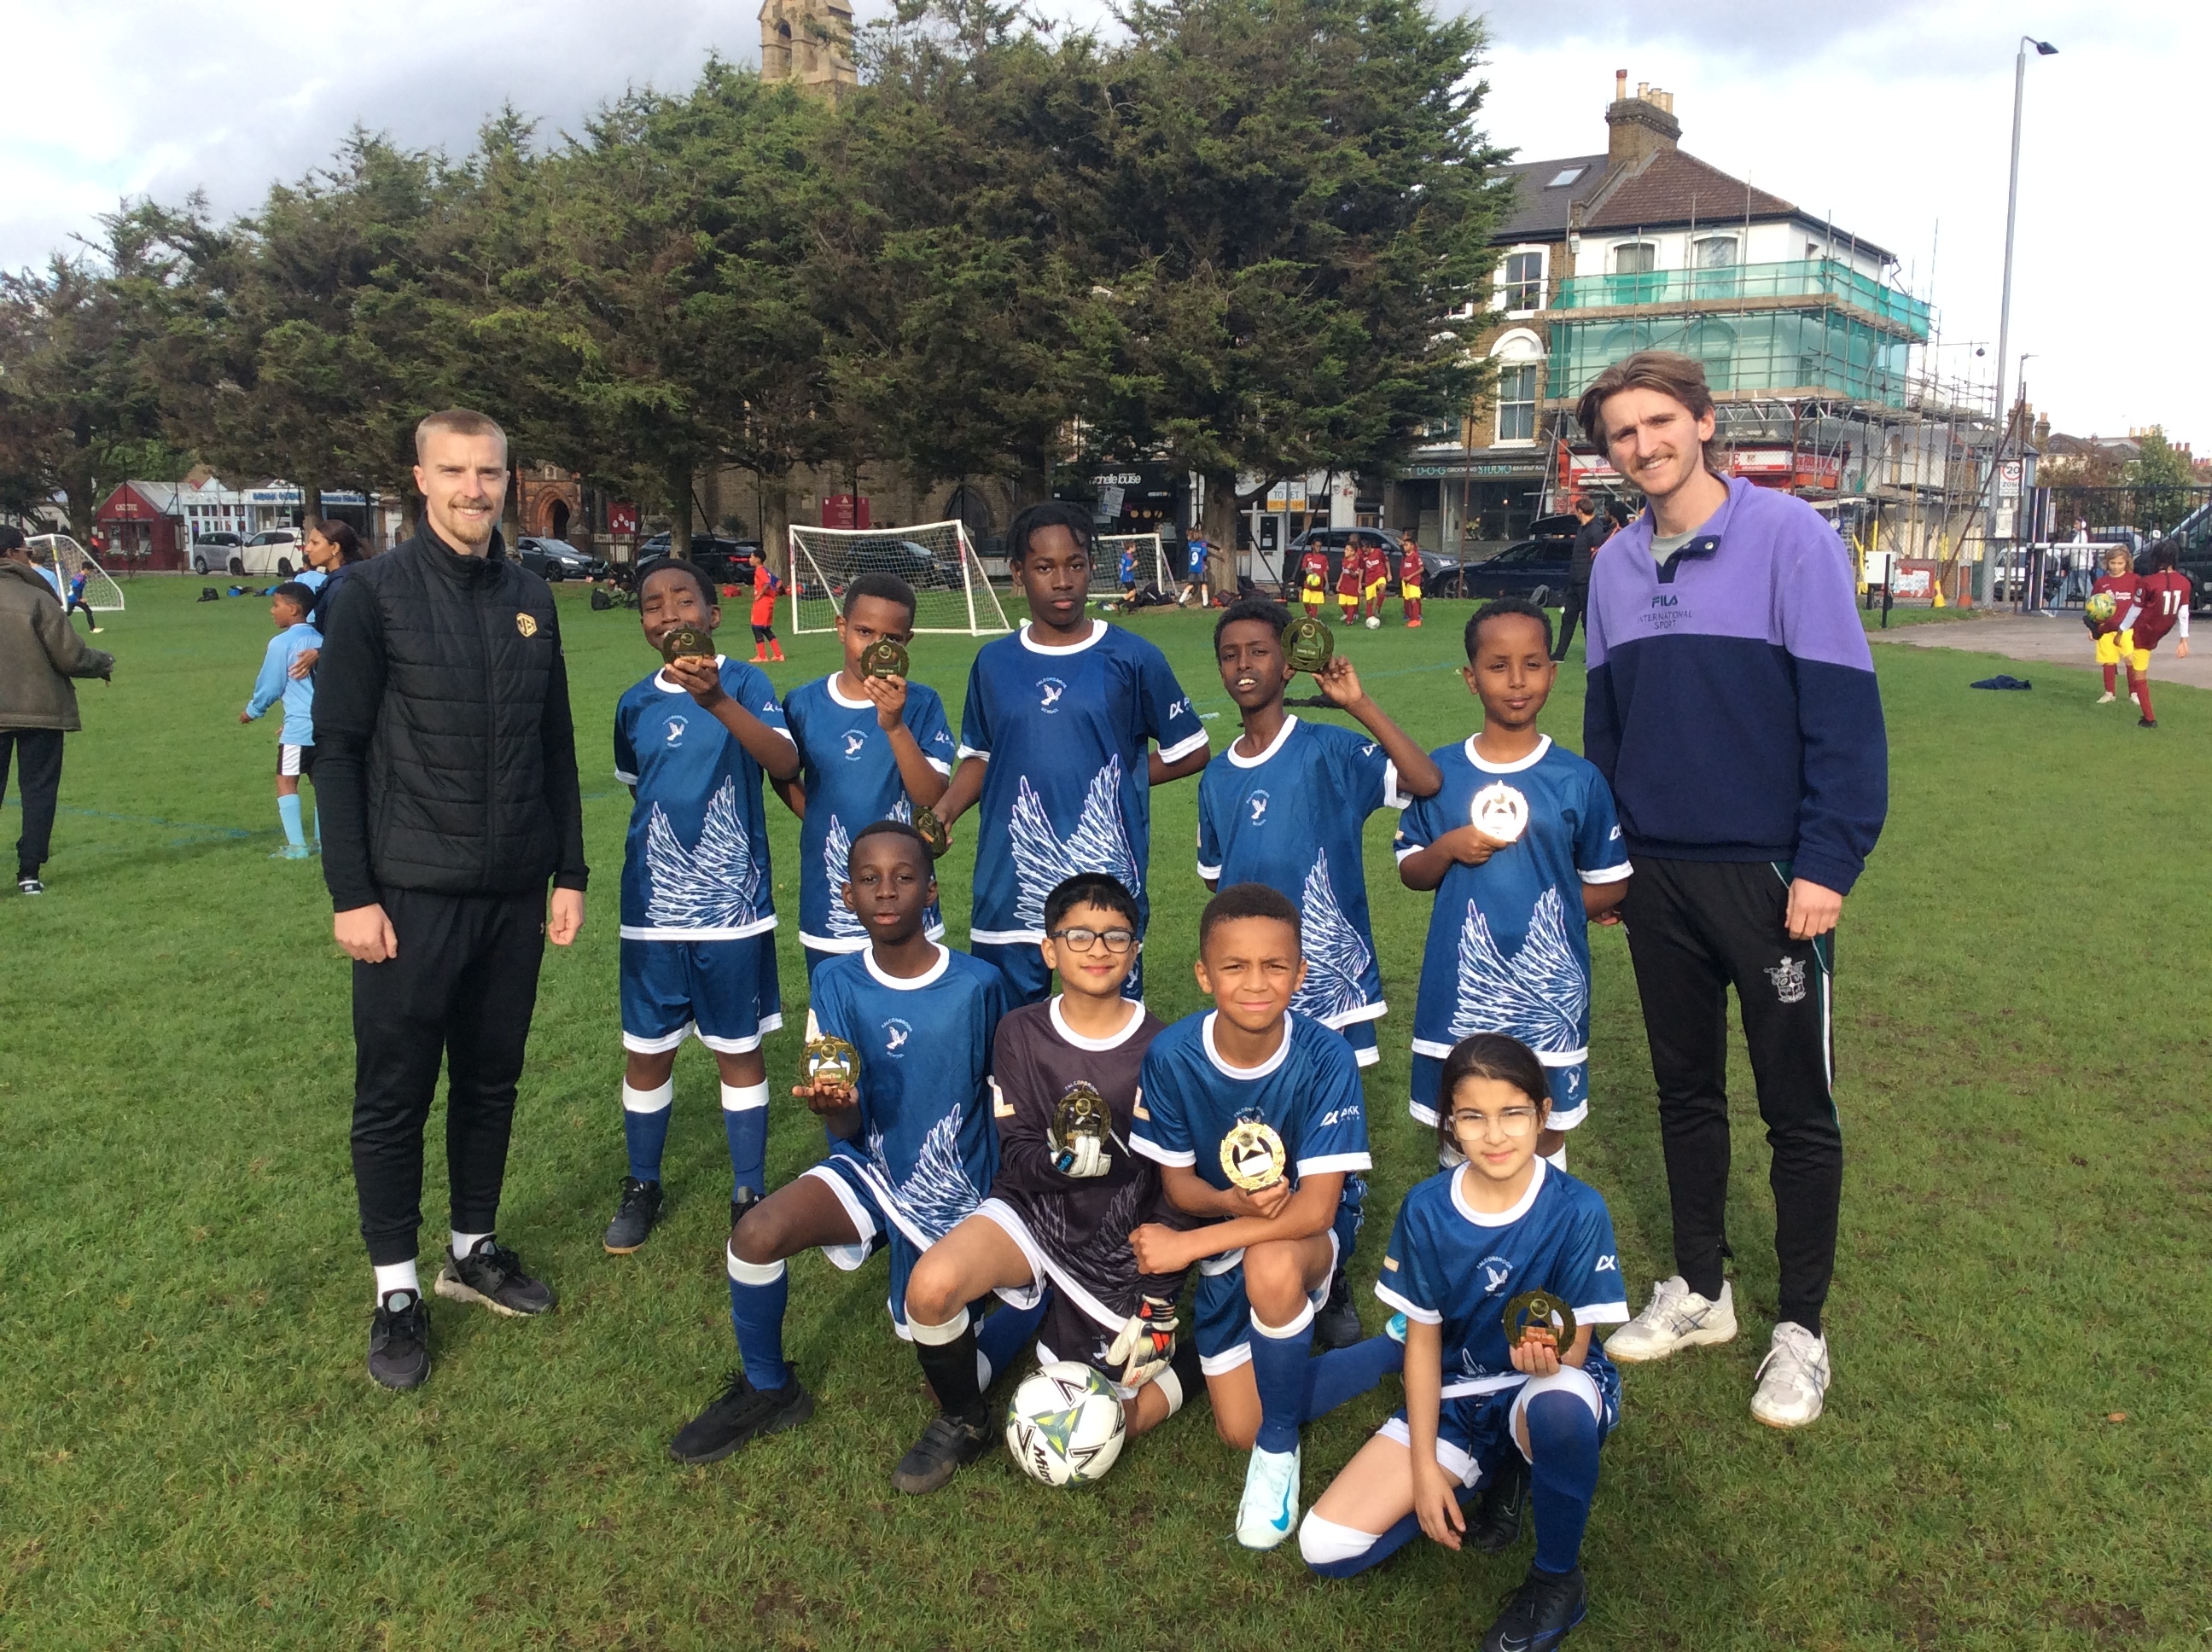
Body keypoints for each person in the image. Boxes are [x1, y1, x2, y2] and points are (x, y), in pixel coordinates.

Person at [1579, 351, 1887, 1428]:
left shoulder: (1792, 538)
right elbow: (1607, 730)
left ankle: (1801, 1329)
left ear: (1704, 422)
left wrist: (1826, 863)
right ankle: (1701, 1289)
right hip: (1656, 877)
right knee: (1685, 1092)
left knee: (1796, 1108)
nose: (1644, 445)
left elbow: (1844, 716)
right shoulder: (1612, 565)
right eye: (1623, 433)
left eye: (1659, 421)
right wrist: (1609, 861)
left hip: (1770, 877)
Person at [316, 408, 589, 1392]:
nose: (475, 489)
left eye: (490, 472)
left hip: (512, 893)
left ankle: (472, 1249)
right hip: (408, 895)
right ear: (421, 479)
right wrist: (354, 893)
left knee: (490, 1082)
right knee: (394, 1095)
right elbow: (337, 751)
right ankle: (396, 1290)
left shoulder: (531, 598)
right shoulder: (369, 594)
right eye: (456, 471)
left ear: (507, 480)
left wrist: (569, 870)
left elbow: (555, 743)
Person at [669, 822, 1042, 1480]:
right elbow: (847, 1128)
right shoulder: (835, 983)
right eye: (869, 878)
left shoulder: (979, 984)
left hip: (958, 1180)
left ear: (931, 890)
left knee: (944, 1370)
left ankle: (1025, 1318)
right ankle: (769, 1388)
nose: (886, 890)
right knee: (755, 1234)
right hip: (871, 1166)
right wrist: (833, 1108)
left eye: (904, 877)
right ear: (847, 895)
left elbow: (1009, 1099)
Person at [1300, 1034, 1627, 1652]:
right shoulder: (1427, 1208)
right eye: (1473, 1116)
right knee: (1326, 1546)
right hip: (1460, 1396)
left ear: (1543, 1114)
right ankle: (1491, 1470)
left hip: (1545, 1385)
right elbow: (1423, 1342)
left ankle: (1557, 1580)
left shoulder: (1579, 1209)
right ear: (1450, 1122)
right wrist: (1426, 1471)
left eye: (1513, 1113)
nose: (1495, 1135)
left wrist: (1546, 1362)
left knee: (1558, 1408)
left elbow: (1576, 1349)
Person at [899, 872, 1198, 1491]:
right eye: (1079, 935)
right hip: (1031, 1211)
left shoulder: (1166, 1048)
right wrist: (1060, 1163)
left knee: (1117, 1389)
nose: (1098, 948)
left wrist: (1159, 1295)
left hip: (1118, 1239)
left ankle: (1203, 1357)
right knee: (929, 1289)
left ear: (1135, 950)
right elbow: (1017, 1153)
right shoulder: (1020, 1031)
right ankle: (964, 1420)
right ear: (1049, 949)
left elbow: (1173, 1183)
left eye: (1116, 935)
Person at [1128, 883, 1404, 1550]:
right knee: (1238, 1427)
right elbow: (1180, 1187)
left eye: (1275, 966)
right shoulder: (1171, 1055)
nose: (1256, 983)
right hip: (1232, 1225)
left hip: (1309, 1233)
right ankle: (1397, 1347)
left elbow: (1316, 1207)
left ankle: (1279, 1450)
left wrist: (1189, 1248)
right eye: (1235, 966)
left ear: (1300, 973)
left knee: (1272, 1265)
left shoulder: (1325, 1055)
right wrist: (1229, 1203)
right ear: (1204, 975)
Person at [1202, 596, 1443, 1350]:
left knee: (1332, 1138)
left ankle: (1331, 1274)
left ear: (1287, 661)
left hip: (1332, 984)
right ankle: (1264, 1256)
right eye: (1231, 654)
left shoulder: (1330, 749)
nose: (1245, 665)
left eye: (1259, 651)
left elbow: (1425, 780)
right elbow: (1217, 884)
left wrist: (1358, 704)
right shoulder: (1217, 776)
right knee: (1261, 1126)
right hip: (1252, 993)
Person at [601, 558, 801, 1256]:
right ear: (642, 623)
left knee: (737, 1050)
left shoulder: (745, 682)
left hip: (733, 913)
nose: (669, 613)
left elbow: (783, 762)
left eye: (684, 600)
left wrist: (715, 700)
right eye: (653, 604)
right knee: (646, 1053)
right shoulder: (634, 703)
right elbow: (641, 787)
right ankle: (643, 1183)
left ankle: (749, 1189)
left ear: (714, 615)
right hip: (651, 911)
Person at [934, 501, 1209, 1004]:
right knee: (1011, 1029)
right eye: (1045, 567)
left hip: (1104, 877)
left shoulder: (1132, 656)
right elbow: (981, 757)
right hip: (1009, 876)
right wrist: (944, 812)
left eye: (1075, 565)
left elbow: (1191, 749)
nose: (1062, 581)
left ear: (1090, 567)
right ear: (1019, 573)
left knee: (1108, 1022)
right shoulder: (993, 662)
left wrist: (1119, 776)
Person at [1398, 599, 1629, 1171]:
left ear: (1552, 672)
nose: (1518, 681)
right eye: (1498, 666)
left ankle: (1544, 1224)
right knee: (1464, 1126)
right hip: (1460, 988)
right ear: (1471, 678)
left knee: (1542, 1130)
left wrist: (1547, 914)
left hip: (1548, 991)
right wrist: (1448, 847)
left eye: (1532, 664)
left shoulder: (1577, 778)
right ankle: (1463, 1220)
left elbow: (1610, 883)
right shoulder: (1441, 772)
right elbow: (1412, 872)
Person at [778, 572, 955, 980]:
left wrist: (894, 725)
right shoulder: (803, 703)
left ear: (907, 642)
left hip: (906, 890)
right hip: (830, 891)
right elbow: (783, 774)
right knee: (835, 1002)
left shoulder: (923, 703)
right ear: (842, 628)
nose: (877, 647)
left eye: (891, 638)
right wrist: (821, 819)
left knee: (912, 1000)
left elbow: (931, 795)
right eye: (864, 632)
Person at [0, 525, 114, 895]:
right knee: (38, 791)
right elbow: (70, 656)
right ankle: (29, 873)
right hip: (40, 708)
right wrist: (103, 663)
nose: (29, 558)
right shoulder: (37, 598)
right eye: (26, 552)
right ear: (13, 553)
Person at [239, 581, 323, 859]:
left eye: (276, 605)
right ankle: (323, 841)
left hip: (299, 729)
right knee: (321, 783)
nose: (272, 611)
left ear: (294, 609)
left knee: (286, 780)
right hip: (326, 726)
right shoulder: (322, 641)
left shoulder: (282, 643)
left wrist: (253, 710)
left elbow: (271, 685)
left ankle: (297, 847)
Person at [2113, 542, 2192, 729]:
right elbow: (2183, 612)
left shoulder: (2148, 581)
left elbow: (2135, 610)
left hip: (2144, 631)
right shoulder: (2184, 582)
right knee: (2133, 661)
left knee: (2138, 672)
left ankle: (2149, 718)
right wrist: (2183, 639)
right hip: (2162, 629)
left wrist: (2121, 631)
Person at [287, 520, 370, 682]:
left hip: (351, 676)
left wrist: (319, 652)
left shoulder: (343, 584)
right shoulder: (342, 578)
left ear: (335, 548)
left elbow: (353, 634)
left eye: (315, 543)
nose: (308, 548)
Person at [2087, 545, 2142, 705]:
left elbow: (2141, 602)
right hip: (2106, 628)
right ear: (2107, 563)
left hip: (2128, 628)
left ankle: (2134, 693)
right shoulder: (2102, 583)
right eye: (2112, 563)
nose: (2116, 567)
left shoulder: (2135, 580)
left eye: (2120, 563)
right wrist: (2093, 628)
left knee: (2131, 660)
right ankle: (2109, 692)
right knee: (2108, 660)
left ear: (2126, 563)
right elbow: (2093, 606)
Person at [1552, 497, 1606, 661]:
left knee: (1587, 620)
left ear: (1580, 511)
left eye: (1575, 510)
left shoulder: (1595, 530)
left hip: (1586, 582)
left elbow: (1596, 558)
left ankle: (1593, 654)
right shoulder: (1582, 529)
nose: (1574, 513)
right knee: (1568, 618)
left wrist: (1589, 578)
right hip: (1575, 581)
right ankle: (1559, 654)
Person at [747, 548, 785, 664]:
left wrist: (760, 594)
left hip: (762, 603)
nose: (750, 559)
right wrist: (777, 591)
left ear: (757, 559)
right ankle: (778, 654)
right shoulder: (766, 571)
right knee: (765, 629)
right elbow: (778, 582)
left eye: (751, 557)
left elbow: (767, 583)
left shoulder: (760, 571)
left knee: (756, 627)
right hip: (769, 602)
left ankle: (762, 656)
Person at [1335, 537, 1365, 625]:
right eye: (1345, 549)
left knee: (1351, 604)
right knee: (1342, 603)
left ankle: (1349, 621)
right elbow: (1343, 572)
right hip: (1344, 585)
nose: (1345, 551)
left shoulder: (1356, 562)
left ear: (1352, 552)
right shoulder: (1344, 560)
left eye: (1347, 550)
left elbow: (1355, 575)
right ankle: (1347, 614)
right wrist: (1339, 583)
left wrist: (1351, 570)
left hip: (1352, 586)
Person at [1361, 536, 1391, 624]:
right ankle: (1370, 618)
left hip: (1379, 575)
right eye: (1363, 551)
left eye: (1366, 550)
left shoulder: (1378, 552)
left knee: (1383, 587)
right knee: (1369, 600)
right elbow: (1362, 569)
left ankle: (1378, 607)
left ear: (1370, 547)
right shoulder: (1362, 556)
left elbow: (1386, 561)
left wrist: (1389, 573)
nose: (1365, 553)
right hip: (1369, 578)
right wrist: (1359, 582)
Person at [1397, 531, 1424, 627]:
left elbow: (1421, 568)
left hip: (1414, 581)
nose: (1404, 547)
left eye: (1406, 545)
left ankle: (1416, 619)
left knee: (1413, 599)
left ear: (1412, 546)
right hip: (1407, 582)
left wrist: (1410, 576)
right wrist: (1404, 577)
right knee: (1410, 599)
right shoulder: (1406, 557)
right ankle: (1413, 618)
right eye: (1404, 545)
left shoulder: (1415, 555)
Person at [64, 564, 101, 635]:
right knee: (88, 611)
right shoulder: (80, 577)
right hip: (75, 598)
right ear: (86, 569)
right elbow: (75, 588)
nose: (91, 572)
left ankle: (56, 617)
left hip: (71, 598)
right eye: (90, 571)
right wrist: (80, 598)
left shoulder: (80, 576)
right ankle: (92, 629)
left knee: (69, 613)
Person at [1297, 540, 1330, 619]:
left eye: (1320, 546)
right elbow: (1303, 568)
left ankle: (1313, 618)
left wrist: (1327, 582)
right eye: (1317, 546)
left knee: (1314, 603)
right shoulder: (1307, 556)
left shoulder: (1323, 558)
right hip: (1308, 583)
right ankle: (1309, 612)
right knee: (1305, 601)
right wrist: (1307, 569)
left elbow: (1325, 570)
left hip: (1318, 584)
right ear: (1312, 546)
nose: (1319, 548)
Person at [1185, 531, 1212, 608]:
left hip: (1192, 567)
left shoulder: (1190, 544)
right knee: (1204, 583)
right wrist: (1205, 564)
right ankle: (1205, 603)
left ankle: (1181, 600)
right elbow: (1204, 556)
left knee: (1191, 584)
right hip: (1200, 567)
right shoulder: (1202, 544)